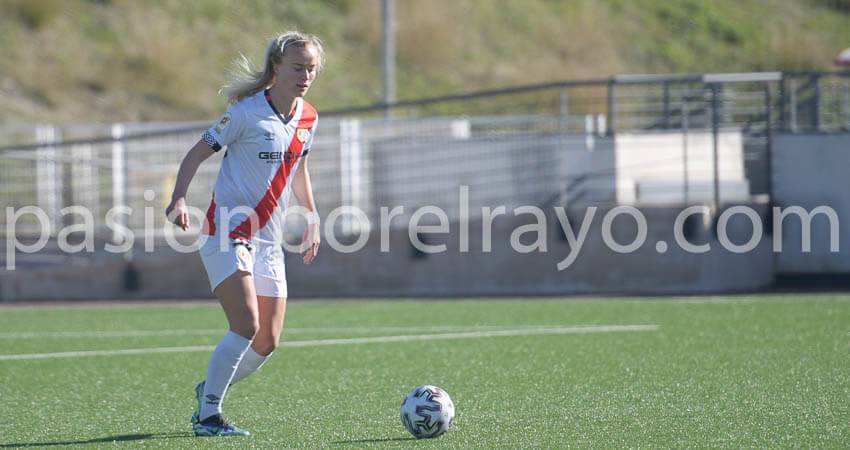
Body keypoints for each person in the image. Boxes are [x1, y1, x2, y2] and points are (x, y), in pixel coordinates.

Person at [165, 31, 324, 437]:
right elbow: (196, 152)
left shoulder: (309, 117)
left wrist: (311, 215)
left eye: (311, 68)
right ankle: (208, 417)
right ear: (276, 67)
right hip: (227, 232)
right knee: (246, 324)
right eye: (297, 67)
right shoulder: (245, 113)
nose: (305, 75)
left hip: (269, 240)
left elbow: (298, 169)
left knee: (267, 340)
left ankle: (209, 392)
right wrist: (179, 199)